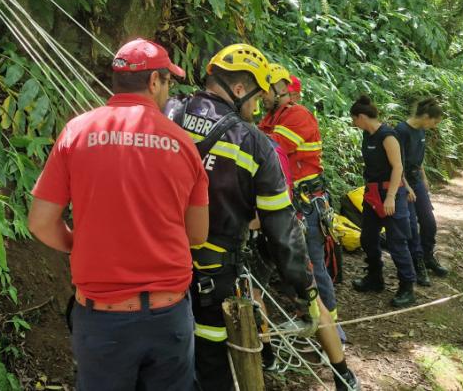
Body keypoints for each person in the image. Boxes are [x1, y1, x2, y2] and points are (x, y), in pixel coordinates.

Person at [165, 44, 359, 391]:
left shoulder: (172, 111)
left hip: (160, 269)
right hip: (213, 275)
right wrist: (306, 292)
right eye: (255, 97)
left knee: (167, 357)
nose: (257, 106)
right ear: (239, 90)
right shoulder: (253, 142)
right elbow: (281, 231)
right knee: (214, 364)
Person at [28, 38, 210, 391]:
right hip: (167, 314)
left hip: (102, 318)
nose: (168, 90)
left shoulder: (77, 132)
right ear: (154, 82)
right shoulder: (183, 143)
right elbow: (197, 234)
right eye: (168, 82)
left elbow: (39, 222)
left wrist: (75, 244)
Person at [258, 67, 347, 342]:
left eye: (264, 90)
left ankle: (333, 331)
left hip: (306, 206)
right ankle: (310, 318)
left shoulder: (297, 116)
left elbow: (268, 149)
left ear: (279, 89)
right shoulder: (273, 117)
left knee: (314, 266)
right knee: (293, 266)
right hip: (292, 204)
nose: (260, 96)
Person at [349, 95, 417, 308]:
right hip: (372, 194)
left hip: (391, 195)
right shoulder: (367, 135)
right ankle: (374, 277)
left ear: (361, 117)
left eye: (354, 119)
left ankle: (407, 287)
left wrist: (393, 196)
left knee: (397, 242)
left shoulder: (387, 136)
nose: (353, 123)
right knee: (368, 237)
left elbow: (397, 166)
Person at [394, 98, 449, 280]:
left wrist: (424, 178)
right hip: (403, 182)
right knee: (410, 225)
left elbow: (420, 159)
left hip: (417, 180)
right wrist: (406, 186)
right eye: (434, 121)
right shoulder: (401, 131)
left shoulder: (421, 132)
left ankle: (427, 256)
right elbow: (396, 162)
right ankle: (417, 263)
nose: (434, 126)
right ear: (426, 116)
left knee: (429, 222)